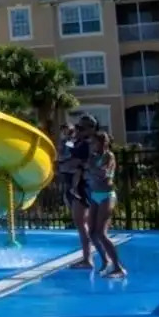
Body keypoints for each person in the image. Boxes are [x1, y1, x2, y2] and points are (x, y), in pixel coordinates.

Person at [58, 115, 104, 269]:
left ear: (91, 129)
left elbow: (80, 161)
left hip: (82, 187)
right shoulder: (79, 142)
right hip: (75, 186)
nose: (78, 130)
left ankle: (90, 259)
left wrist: (66, 163)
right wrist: (67, 136)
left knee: (83, 224)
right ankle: (88, 258)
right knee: (82, 224)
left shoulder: (90, 145)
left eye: (81, 128)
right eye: (78, 127)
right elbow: (66, 148)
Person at [87, 131, 127, 278]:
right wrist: (95, 171)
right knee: (92, 232)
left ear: (103, 143)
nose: (92, 145)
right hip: (95, 195)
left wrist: (94, 171)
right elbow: (93, 171)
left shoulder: (109, 156)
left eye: (95, 142)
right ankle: (106, 261)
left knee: (101, 233)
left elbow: (104, 174)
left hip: (106, 196)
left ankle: (119, 268)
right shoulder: (93, 157)